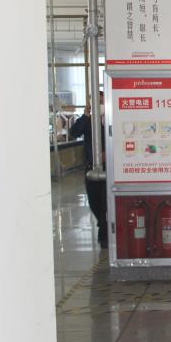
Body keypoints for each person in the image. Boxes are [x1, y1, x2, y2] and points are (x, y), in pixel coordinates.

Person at [69, 91, 107, 249]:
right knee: (94, 202)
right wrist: (85, 116)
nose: (99, 105)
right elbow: (73, 133)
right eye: (96, 102)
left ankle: (104, 233)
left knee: (106, 203)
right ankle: (102, 224)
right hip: (91, 169)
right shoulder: (88, 121)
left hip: (109, 169)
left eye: (101, 102)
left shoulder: (110, 119)